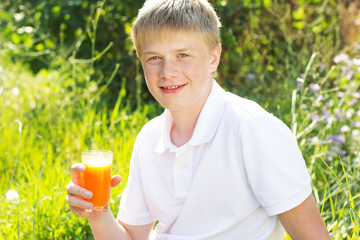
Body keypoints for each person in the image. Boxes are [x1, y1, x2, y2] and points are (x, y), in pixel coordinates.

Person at [66, 0, 331, 239]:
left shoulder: (252, 129)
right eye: (155, 58)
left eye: (183, 55)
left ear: (213, 58)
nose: (168, 72)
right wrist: (98, 214)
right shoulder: (149, 138)